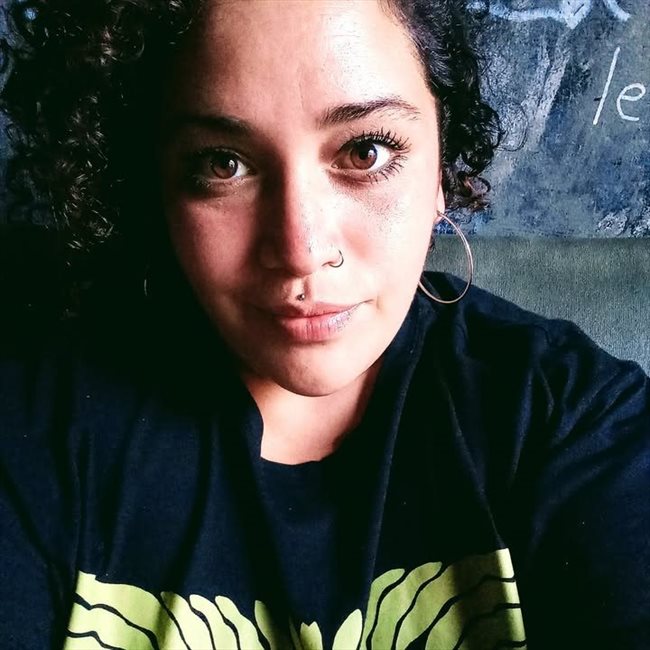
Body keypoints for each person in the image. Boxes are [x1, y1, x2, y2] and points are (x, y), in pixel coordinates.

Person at [0, 1, 648, 648]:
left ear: (440, 170)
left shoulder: (574, 419)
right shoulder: (36, 429)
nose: (301, 249)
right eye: (223, 164)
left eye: (365, 151)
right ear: (159, 184)